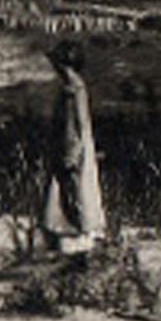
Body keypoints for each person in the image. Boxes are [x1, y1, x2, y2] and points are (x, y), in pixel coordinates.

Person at [39, 40, 106, 255]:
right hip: (77, 147)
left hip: (71, 148)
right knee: (77, 193)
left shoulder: (72, 91)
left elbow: (74, 125)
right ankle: (80, 238)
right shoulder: (78, 88)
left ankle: (77, 241)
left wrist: (70, 152)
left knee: (70, 194)